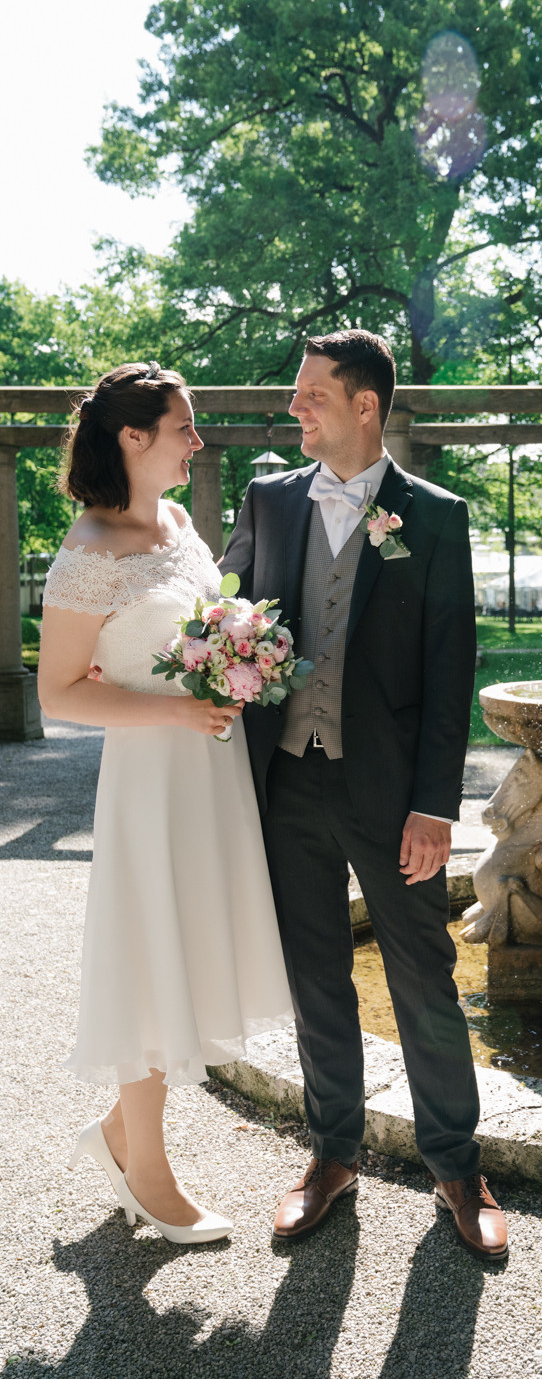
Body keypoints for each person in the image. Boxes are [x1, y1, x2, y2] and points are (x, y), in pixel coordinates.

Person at [221, 330, 508, 1259]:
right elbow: (227, 616)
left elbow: (448, 666)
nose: (293, 408)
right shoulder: (266, 501)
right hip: (287, 784)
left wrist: (437, 803)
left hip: (393, 798)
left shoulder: (434, 515)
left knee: (422, 974)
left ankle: (457, 1167)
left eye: (309, 395)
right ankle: (332, 1154)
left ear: (365, 406)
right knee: (316, 976)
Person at [38, 362, 294, 1245]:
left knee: (185, 947)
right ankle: (146, 1173)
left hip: (208, 771)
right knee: (149, 956)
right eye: (184, 426)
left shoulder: (181, 523)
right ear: (132, 438)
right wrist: (177, 708)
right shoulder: (88, 551)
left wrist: (235, 654)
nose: (197, 440)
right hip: (150, 775)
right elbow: (60, 694)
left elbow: (199, 629)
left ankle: (117, 1136)